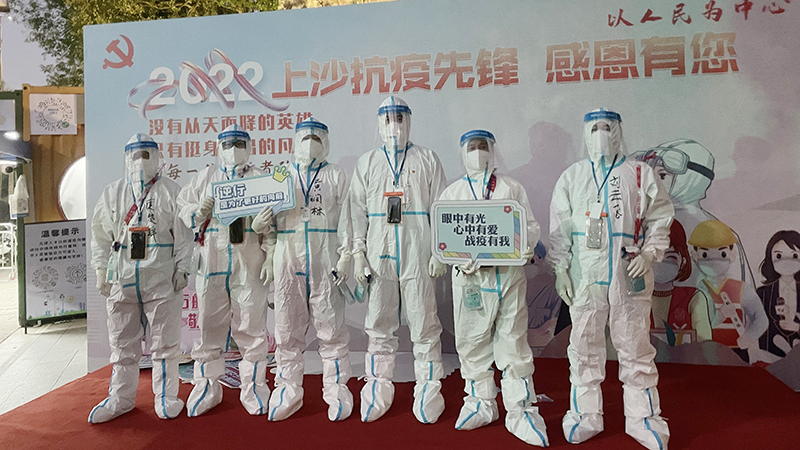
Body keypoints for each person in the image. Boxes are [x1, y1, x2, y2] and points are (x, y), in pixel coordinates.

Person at [548, 108, 674, 449]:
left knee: (635, 346)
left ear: (618, 131)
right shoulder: (573, 176)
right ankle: (584, 414)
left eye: (607, 127)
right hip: (585, 276)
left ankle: (643, 417)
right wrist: (560, 268)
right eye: (594, 128)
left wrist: (649, 253)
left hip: (628, 271)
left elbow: (660, 216)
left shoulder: (639, 173)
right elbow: (560, 228)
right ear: (585, 133)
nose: (601, 134)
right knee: (584, 347)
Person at [431, 130, 548, 446]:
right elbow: (443, 235)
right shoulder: (453, 193)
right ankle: (480, 403)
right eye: (472, 147)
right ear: (462, 152)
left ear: (493, 150)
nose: (478, 152)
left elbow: (530, 227)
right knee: (472, 342)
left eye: (483, 146)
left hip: (508, 278)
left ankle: (520, 410)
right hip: (470, 280)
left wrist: (523, 247)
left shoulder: (511, 188)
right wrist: (456, 258)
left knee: (514, 342)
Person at [349, 96, 446, 423]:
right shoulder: (367, 163)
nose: (395, 125)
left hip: (418, 252)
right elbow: (356, 212)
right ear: (379, 123)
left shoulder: (427, 159)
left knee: (425, 324)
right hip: (379, 254)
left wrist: (439, 250)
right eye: (388, 119)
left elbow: (441, 208)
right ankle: (378, 386)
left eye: (400, 118)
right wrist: (358, 254)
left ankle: (429, 388)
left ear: (410, 121)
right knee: (379, 325)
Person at [89, 133, 192, 423]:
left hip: (161, 279)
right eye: (135, 155)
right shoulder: (113, 193)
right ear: (126, 159)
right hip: (122, 279)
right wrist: (100, 270)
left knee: (165, 343)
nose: (141, 161)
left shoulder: (171, 192)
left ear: (157, 158)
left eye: (147, 155)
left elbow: (184, 237)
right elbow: (100, 235)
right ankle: (121, 398)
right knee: (122, 344)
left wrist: (182, 268)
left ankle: (166, 397)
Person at [177, 124, 274, 417]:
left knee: (252, 327)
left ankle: (254, 387)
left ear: (249, 147)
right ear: (218, 147)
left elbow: (275, 220)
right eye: (228, 144)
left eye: (240, 144)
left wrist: (269, 250)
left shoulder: (260, 179)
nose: (234, 150)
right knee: (209, 326)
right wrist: (198, 211)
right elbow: (183, 206)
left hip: (249, 262)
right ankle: (207, 386)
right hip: (213, 261)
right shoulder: (205, 178)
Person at [264, 117, 354, 422]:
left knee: (332, 330)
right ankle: (287, 389)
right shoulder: (280, 175)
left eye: (317, 138)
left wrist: (346, 256)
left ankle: (337, 389)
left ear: (326, 142)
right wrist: (267, 242)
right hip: (288, 258)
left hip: (325, 257)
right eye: (305, 137)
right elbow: (269, 220)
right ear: (295, 141)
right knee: (287, 329)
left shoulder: (336, 175)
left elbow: (349, 219)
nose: (311, 143)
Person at [688, 220, 768, 362]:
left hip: (737, 352)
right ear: (695, 256)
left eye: (722, 254)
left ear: (732, 254)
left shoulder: (742, 288)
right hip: (707, 354)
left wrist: (748, 337)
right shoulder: (698, 291)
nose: (714, 260)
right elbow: (698, 325)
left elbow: (761, 319)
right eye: (705, 255)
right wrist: (721, 315)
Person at [650, 220, 712, 343]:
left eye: (670, 257)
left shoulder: (694, 298)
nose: (661, 262)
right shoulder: (635, 298)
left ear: (683, 261)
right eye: (655, 256)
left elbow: (705, 346)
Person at [757, 230, 800, 358]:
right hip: (771, 357)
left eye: (794, 256)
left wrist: (798, 327)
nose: (787, 262)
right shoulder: (763, 293)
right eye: (779, 256)